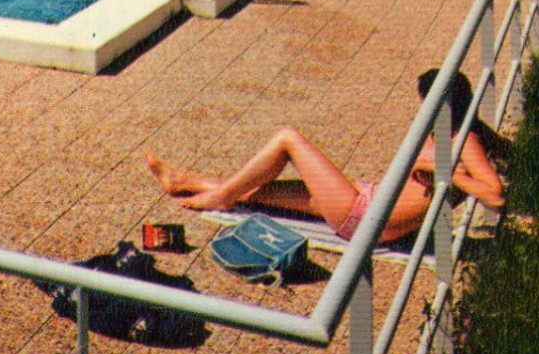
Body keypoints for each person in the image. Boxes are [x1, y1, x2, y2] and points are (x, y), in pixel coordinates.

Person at [147, 69, 503, 244]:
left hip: (366, 218)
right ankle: (185, 182)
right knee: (260, 191)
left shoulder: (464, 140)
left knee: (289, 139)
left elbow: (495, 196)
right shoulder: (453, 130)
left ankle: (221, 197)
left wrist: (448, 174)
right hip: (367, 202)